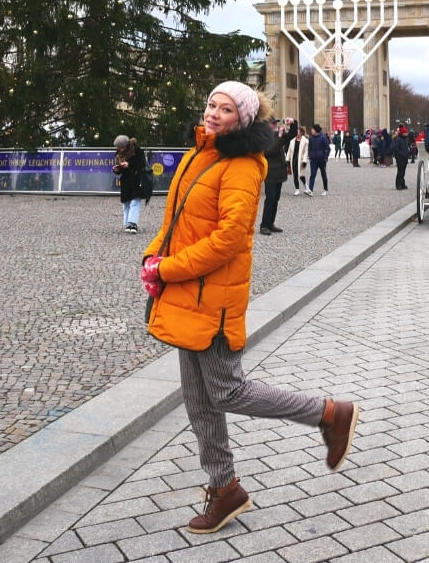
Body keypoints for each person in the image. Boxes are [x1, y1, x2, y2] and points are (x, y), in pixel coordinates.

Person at [140, 81, 358, 534]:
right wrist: (153, 255)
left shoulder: (242, 164)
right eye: (210, 105)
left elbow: (231, 239)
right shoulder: (199, 153)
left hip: (212, 298)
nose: (214, 113)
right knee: (198, 400)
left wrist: (169, 269)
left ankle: (328, 413)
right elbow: (175, 220)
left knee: (226, 391)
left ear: (243, 118)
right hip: (185, 293)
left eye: (225, 109)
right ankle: (225, 489)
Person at [260, 118, 294, 235]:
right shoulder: (264, 137)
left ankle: (270, 223)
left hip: (279, 173)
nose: (275, 125)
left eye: (276, 123)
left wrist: (292, 123)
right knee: (270, 199)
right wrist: (279, 137)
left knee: (276, 199)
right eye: (273, 123)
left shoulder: (277, 135)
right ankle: (264, 225)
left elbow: (291, 135)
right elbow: (270, 151)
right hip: (270, 173)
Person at [112, 134, 148, 234]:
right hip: (125, 181)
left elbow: (142, 164)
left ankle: (133, 223)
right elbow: (120, 170)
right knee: (126, 203)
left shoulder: (137, 150)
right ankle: (127, 223)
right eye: (118, 148)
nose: (120, 149)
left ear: (126, 145)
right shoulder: (118, 153)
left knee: (135, 202)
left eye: (121, 147)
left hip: (136, 179)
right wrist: (117, 169)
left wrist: (129, 164)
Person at [306, 124, 330, 196]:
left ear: (316, 130)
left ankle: (325, 189)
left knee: (323, 174)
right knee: (312, 175)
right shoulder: (311, 138)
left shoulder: (323, 137)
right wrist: (310, 156)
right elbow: (309, 148)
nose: (311, 130)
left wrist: (325, 157)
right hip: (313, 159)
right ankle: (310, 190)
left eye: (312, 129)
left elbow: (328, 148)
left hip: (321, 159)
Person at [285, 126, 309, 195]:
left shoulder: (305, 141)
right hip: (294, 160)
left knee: (301, 175)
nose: (296, 132)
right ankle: (297, 189)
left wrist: (304, 161)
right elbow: (289, 151)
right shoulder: (292, 141)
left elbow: (306, 152)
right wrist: (287, 159)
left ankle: (306, 187)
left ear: (301, 132)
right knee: (295, 175)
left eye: (297, 131)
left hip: (301, 161)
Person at [391, 124, 411, 190]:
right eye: (405, 132)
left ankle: (402, 184)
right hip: (400, 158)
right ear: (402, 133)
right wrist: (401, 154)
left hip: (404, 157)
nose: (407, 133)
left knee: (403, 172)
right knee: (400, 172)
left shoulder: (405, 139)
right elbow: (395, 148)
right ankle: (398, 185)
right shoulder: (398, 139)